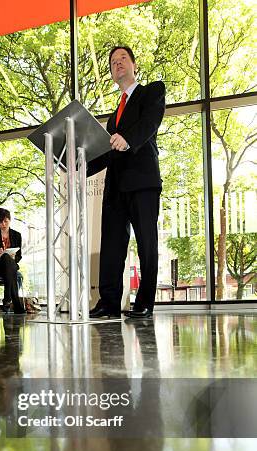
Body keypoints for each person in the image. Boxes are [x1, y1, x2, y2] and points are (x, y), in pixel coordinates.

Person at [88, 46, 166, 319]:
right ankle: (108, 303)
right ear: (111, 73)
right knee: (110, 245)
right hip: (115, 189)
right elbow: (105, 153)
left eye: (122, 59)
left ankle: (144, 302)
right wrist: (77, 167)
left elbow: (150, 122)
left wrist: (128, 138)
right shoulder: (113, 118)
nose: (117, 64)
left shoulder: (152, 92)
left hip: (143, 182)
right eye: (112, 62)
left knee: (146, 242)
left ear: (134, 65)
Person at [0, 208, 26, 314]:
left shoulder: (17, 235)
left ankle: (8, 299)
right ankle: (11, 300)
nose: (3, 224)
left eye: (6, 221)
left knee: (8, 259)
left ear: (10, 220)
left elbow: (19, 256)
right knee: (5, 258)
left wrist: (13, 258)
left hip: (10, 266)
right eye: (0, 222)